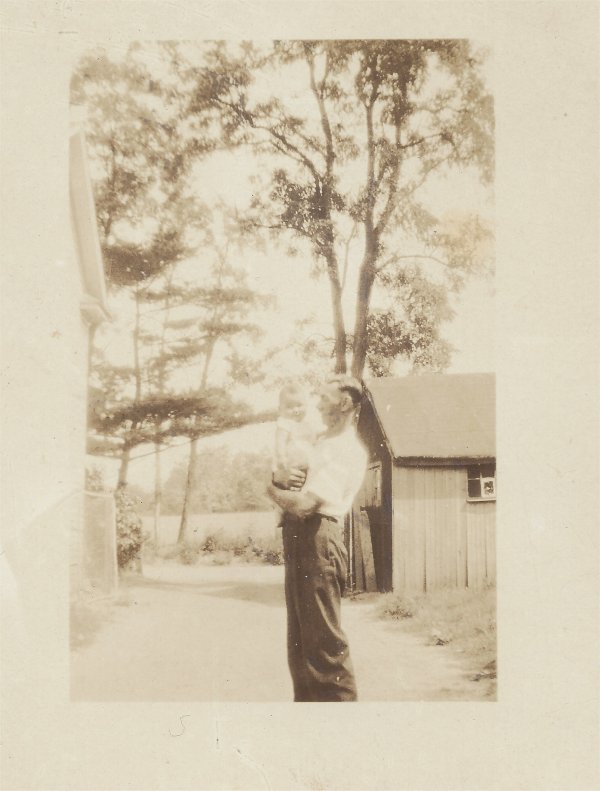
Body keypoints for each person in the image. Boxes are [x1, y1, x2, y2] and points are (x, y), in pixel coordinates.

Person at [267, 375, 367, 702]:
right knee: (300, 647)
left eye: (325, 397)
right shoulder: (319, 442)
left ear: (345, 404)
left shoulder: (346, 449)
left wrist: (268, 489)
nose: (318, 404)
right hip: (299, 539)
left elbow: (306, 505)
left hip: (319, 537)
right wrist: (278, 478)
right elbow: (290, 483)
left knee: (325, 647)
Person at [272, 382, 316, 528]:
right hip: (290, 462)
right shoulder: (285, 423)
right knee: (284, 489)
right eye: (289, 407)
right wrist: (282, 459)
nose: (295, 410)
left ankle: (305, 497)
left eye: (299, 405)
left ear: (306, 405)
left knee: (309, 479)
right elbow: (280, 442)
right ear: (280, 409)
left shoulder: (309, 423)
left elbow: (314, 441)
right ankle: (280, 512)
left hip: (306, 461)